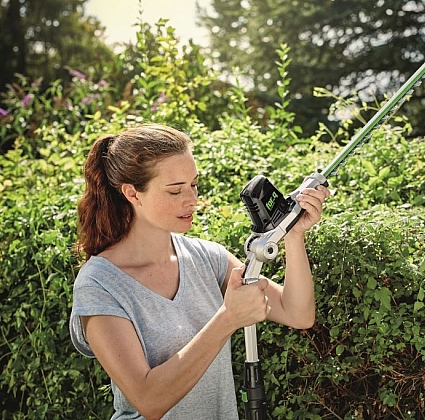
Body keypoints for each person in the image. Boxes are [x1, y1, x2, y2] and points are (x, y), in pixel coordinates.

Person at [69, 123, 330, 419]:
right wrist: (228, 318)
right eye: (175, 190)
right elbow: (148, 399)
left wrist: (294, 235)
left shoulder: (205, 257)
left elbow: (297, 313)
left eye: (193, 185)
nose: (192, 200)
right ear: (132, 193)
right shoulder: (99, 283)